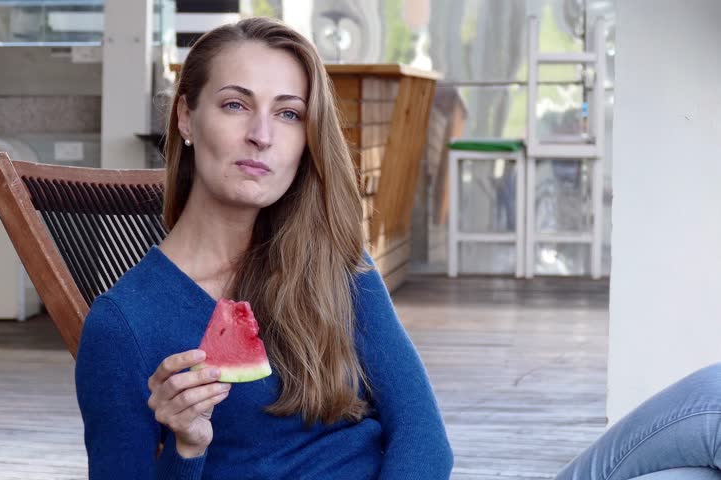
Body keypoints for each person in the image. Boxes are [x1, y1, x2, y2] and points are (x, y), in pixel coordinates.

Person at [75, 17, 721, 480]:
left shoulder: (332, 263)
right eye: (236, 105)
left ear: (307, 139)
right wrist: (187, 450)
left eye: (290, 113)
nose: (263, 135)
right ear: (186, 117)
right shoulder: (124, 325)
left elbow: (424, 438)